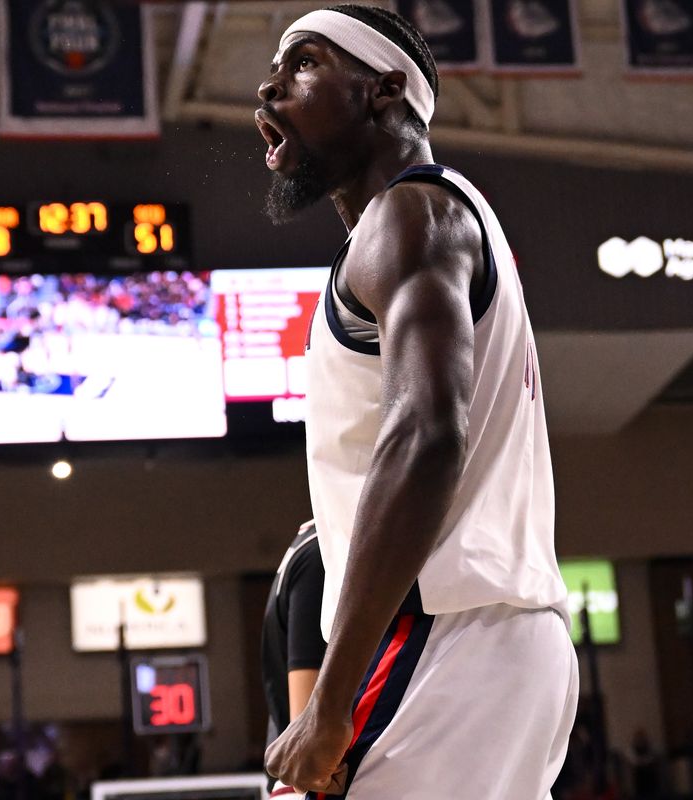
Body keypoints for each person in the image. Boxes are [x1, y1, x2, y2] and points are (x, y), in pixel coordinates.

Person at [255, 6, 577, 798]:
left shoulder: (409, 214)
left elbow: (425, 438)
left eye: (303, 64)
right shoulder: (433, 219)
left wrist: (329, 704)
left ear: (385, 90)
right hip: (501, 641)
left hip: (439, 638)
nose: (268, 87)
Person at [260, 520, 328, 797]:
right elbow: (304, 720)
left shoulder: (308, 544)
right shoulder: (319, 556)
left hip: (296, 780)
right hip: (305, 784)